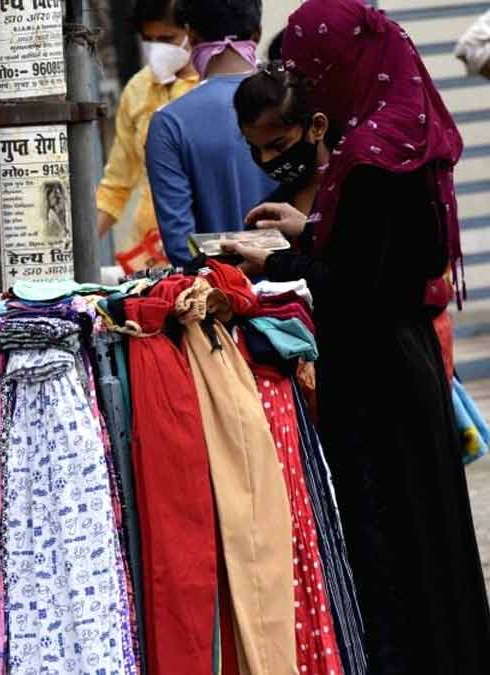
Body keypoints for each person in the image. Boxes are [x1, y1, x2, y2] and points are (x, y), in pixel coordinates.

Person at [223, 1, 490, 671]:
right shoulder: (397, 133)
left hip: (378, 381)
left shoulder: (369, 156)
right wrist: (306, 230)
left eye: (310, 68)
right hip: (407, 362)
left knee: (393, 546)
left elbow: (355, 287)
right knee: (428, 538)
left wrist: (278, 261)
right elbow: (390, 257)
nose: (306, 83)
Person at [145, 0, 275, 267]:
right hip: (298, 292)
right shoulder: (293, 105)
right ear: (257, 33)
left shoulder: (168, 123)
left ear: (191, 36)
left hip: (219, 297)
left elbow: (182, 247)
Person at [96, 0, 198, 267]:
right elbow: (116, 183)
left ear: (193, 33)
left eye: (167, 38)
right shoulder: (137, 88)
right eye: (148, 39)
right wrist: (74, 250)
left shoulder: (212, 87)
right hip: (147, 253)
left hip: (204, 246)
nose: (157, 49)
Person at [233, 63, 334, 217]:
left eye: (279, 145)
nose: (266, 159)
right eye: (254, 147)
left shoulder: (356, 193)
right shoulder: (269, 213)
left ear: (317, 126)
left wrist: (304, 230)